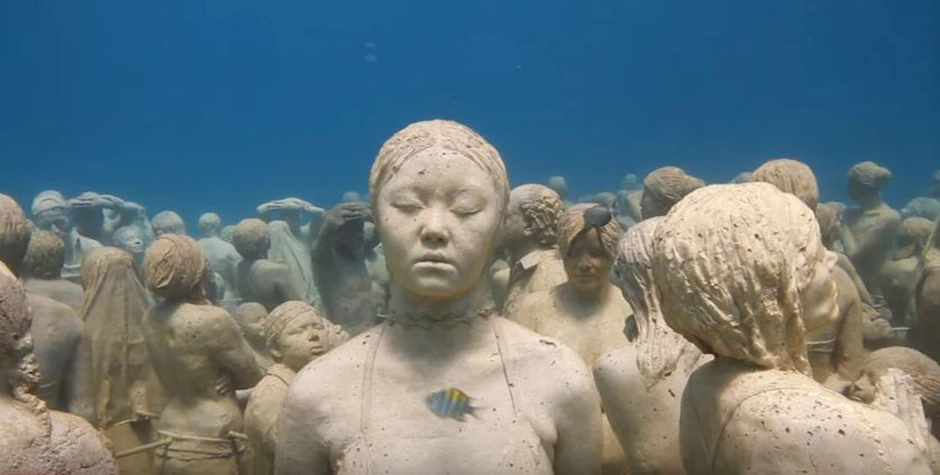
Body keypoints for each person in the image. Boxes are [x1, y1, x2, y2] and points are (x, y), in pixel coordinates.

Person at [276, 120, 601, 475]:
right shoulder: (318, 392)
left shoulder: (560, 379)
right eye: (406, 205)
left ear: (498, 223)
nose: (434, 228)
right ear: (378, 218)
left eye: (466, 208)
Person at [652, 183, 930, 474]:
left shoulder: (702, 383)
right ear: (763, 284)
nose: (832, 258)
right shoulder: (858, 433)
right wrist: (906, 447)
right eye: (813, 255)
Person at [142, 234, 264, 475]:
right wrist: (229, 376)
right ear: (195, 269)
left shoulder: (150, 318)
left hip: (169, 429)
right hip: (215, 433)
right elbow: (252, 376)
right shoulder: (213, 319)